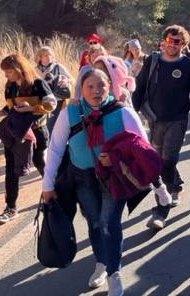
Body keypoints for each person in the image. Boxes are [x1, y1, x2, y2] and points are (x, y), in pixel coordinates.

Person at [42, 69, 148, 295]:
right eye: (90, 86)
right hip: (83, 178)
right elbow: (56, 149)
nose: (96, 91)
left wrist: (118, 158)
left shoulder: (122, 113)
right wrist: (47, 186)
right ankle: (101, 263)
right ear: (81, 88)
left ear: (110, 86)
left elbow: (143, 149)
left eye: (101, 85)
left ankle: (114, 274)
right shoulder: (69, 112)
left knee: (109, 224)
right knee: (95, 223)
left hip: (113, 178)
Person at [132, 25, 190, 229]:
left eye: (178, 41)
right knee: (159, 162)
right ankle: (176, 185)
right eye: (170, 40)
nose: (173, 45)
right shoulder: (152, 62)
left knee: (168, 160)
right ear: (164, 41)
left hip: (177, 120)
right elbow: (139, 88)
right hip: (154, 120)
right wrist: (131, 114)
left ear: (184, 44)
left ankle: (160, 212)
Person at [0, 54, 57, 224]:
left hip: (37, 132)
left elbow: (51, 104)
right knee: (10, 168)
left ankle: (54, 196)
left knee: (40, 162)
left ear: (18, 69)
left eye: (8, 71)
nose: (6, 75)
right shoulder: (10, 86)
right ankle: (11, 208)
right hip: (15, 133)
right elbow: (11, 108)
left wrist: (31, 108)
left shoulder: (38, 84)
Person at [36, 46, 73, 133]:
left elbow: (71, 79)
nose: (48, 57)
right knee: (42, 125)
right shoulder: (35, 70)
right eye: (45, 55)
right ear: (40, 57)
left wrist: (66, 81)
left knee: (53, 125)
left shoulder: (58, 67)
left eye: (50, 55)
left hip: (57, 100)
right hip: (40, 101)